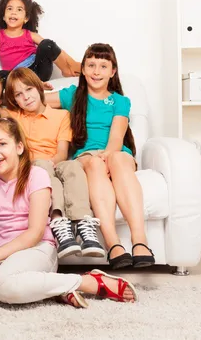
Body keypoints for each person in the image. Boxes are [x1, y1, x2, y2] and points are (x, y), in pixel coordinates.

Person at [0, 117, 137, 308]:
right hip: (2, 256)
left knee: (4, 286)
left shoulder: (36, 175)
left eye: (2, 144)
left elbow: (35, 232)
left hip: (37, 249)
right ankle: (51, 289)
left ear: (19, 147)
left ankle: (88, 282)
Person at [46, 43, 155, 269]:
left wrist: (108, 156)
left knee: (117, 159)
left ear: (113, 72)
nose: (97, 71)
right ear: (83, 70)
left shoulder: (120, 101)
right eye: (91, 65)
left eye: (103, 66)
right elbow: (34, 101)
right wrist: (33, 85)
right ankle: (113, 244)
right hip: (85, 156)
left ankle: (140, 241)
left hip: (114, 152)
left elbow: (116, 138)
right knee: (94, 164)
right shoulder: (73, 95)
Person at [3, 68, 105, 259]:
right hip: (34, 166)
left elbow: (62, 153)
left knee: (74, 165)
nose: (25, 97)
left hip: (57, 161)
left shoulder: (61, 116)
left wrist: (53, 163)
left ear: (39, 88)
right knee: (41, 166)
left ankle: (84, 223)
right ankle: (60, 224)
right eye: (18, 94)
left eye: (29, 89)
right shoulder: (15, 117)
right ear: (13, 99)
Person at [0, 0, 80, 88]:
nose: (13, 12)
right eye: (9, 9)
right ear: (3, 16)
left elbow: (53, 49)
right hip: (17, 77)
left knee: (46, 44)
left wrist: (71, 63)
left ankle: (68, 69)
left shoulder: (29, 35)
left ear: (26, 18)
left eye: (19, 10)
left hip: (38, 70)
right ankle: (36, 86)